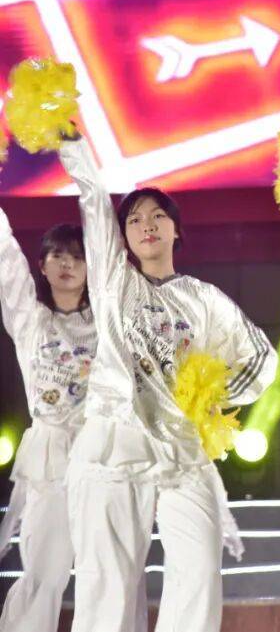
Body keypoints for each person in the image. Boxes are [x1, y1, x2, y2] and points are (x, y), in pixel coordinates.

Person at [55, 134, 277, 632]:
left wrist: (214, 393)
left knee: (199, 576)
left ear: (177, 230)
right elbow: (94, 200)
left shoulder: (206, 299)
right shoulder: (114, 281)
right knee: (109, 586)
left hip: (182, 450)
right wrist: (73, 146)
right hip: (114, 446)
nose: (146, 225)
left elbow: (261, 357)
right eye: (134, 220)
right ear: (122, 237)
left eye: (158, 216)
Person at [0, 217, 95, 631]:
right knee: (43, 573)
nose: (67, 264)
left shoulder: (107, 321)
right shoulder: (30, 320)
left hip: (99, 456)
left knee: (104, 576)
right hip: (49, 459)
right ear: (42, 265)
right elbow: (6, 260)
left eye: (77, 256)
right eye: (58, 255)